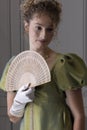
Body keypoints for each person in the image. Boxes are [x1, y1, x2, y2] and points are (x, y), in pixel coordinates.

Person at [0, 0, 87, 130]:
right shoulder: (14, 65)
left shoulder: (62, 65)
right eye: (38, 27)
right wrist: (19, 101)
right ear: (26, 26)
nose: (43, 35)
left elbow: (79, 115)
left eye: (49, 29)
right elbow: (14, 118)